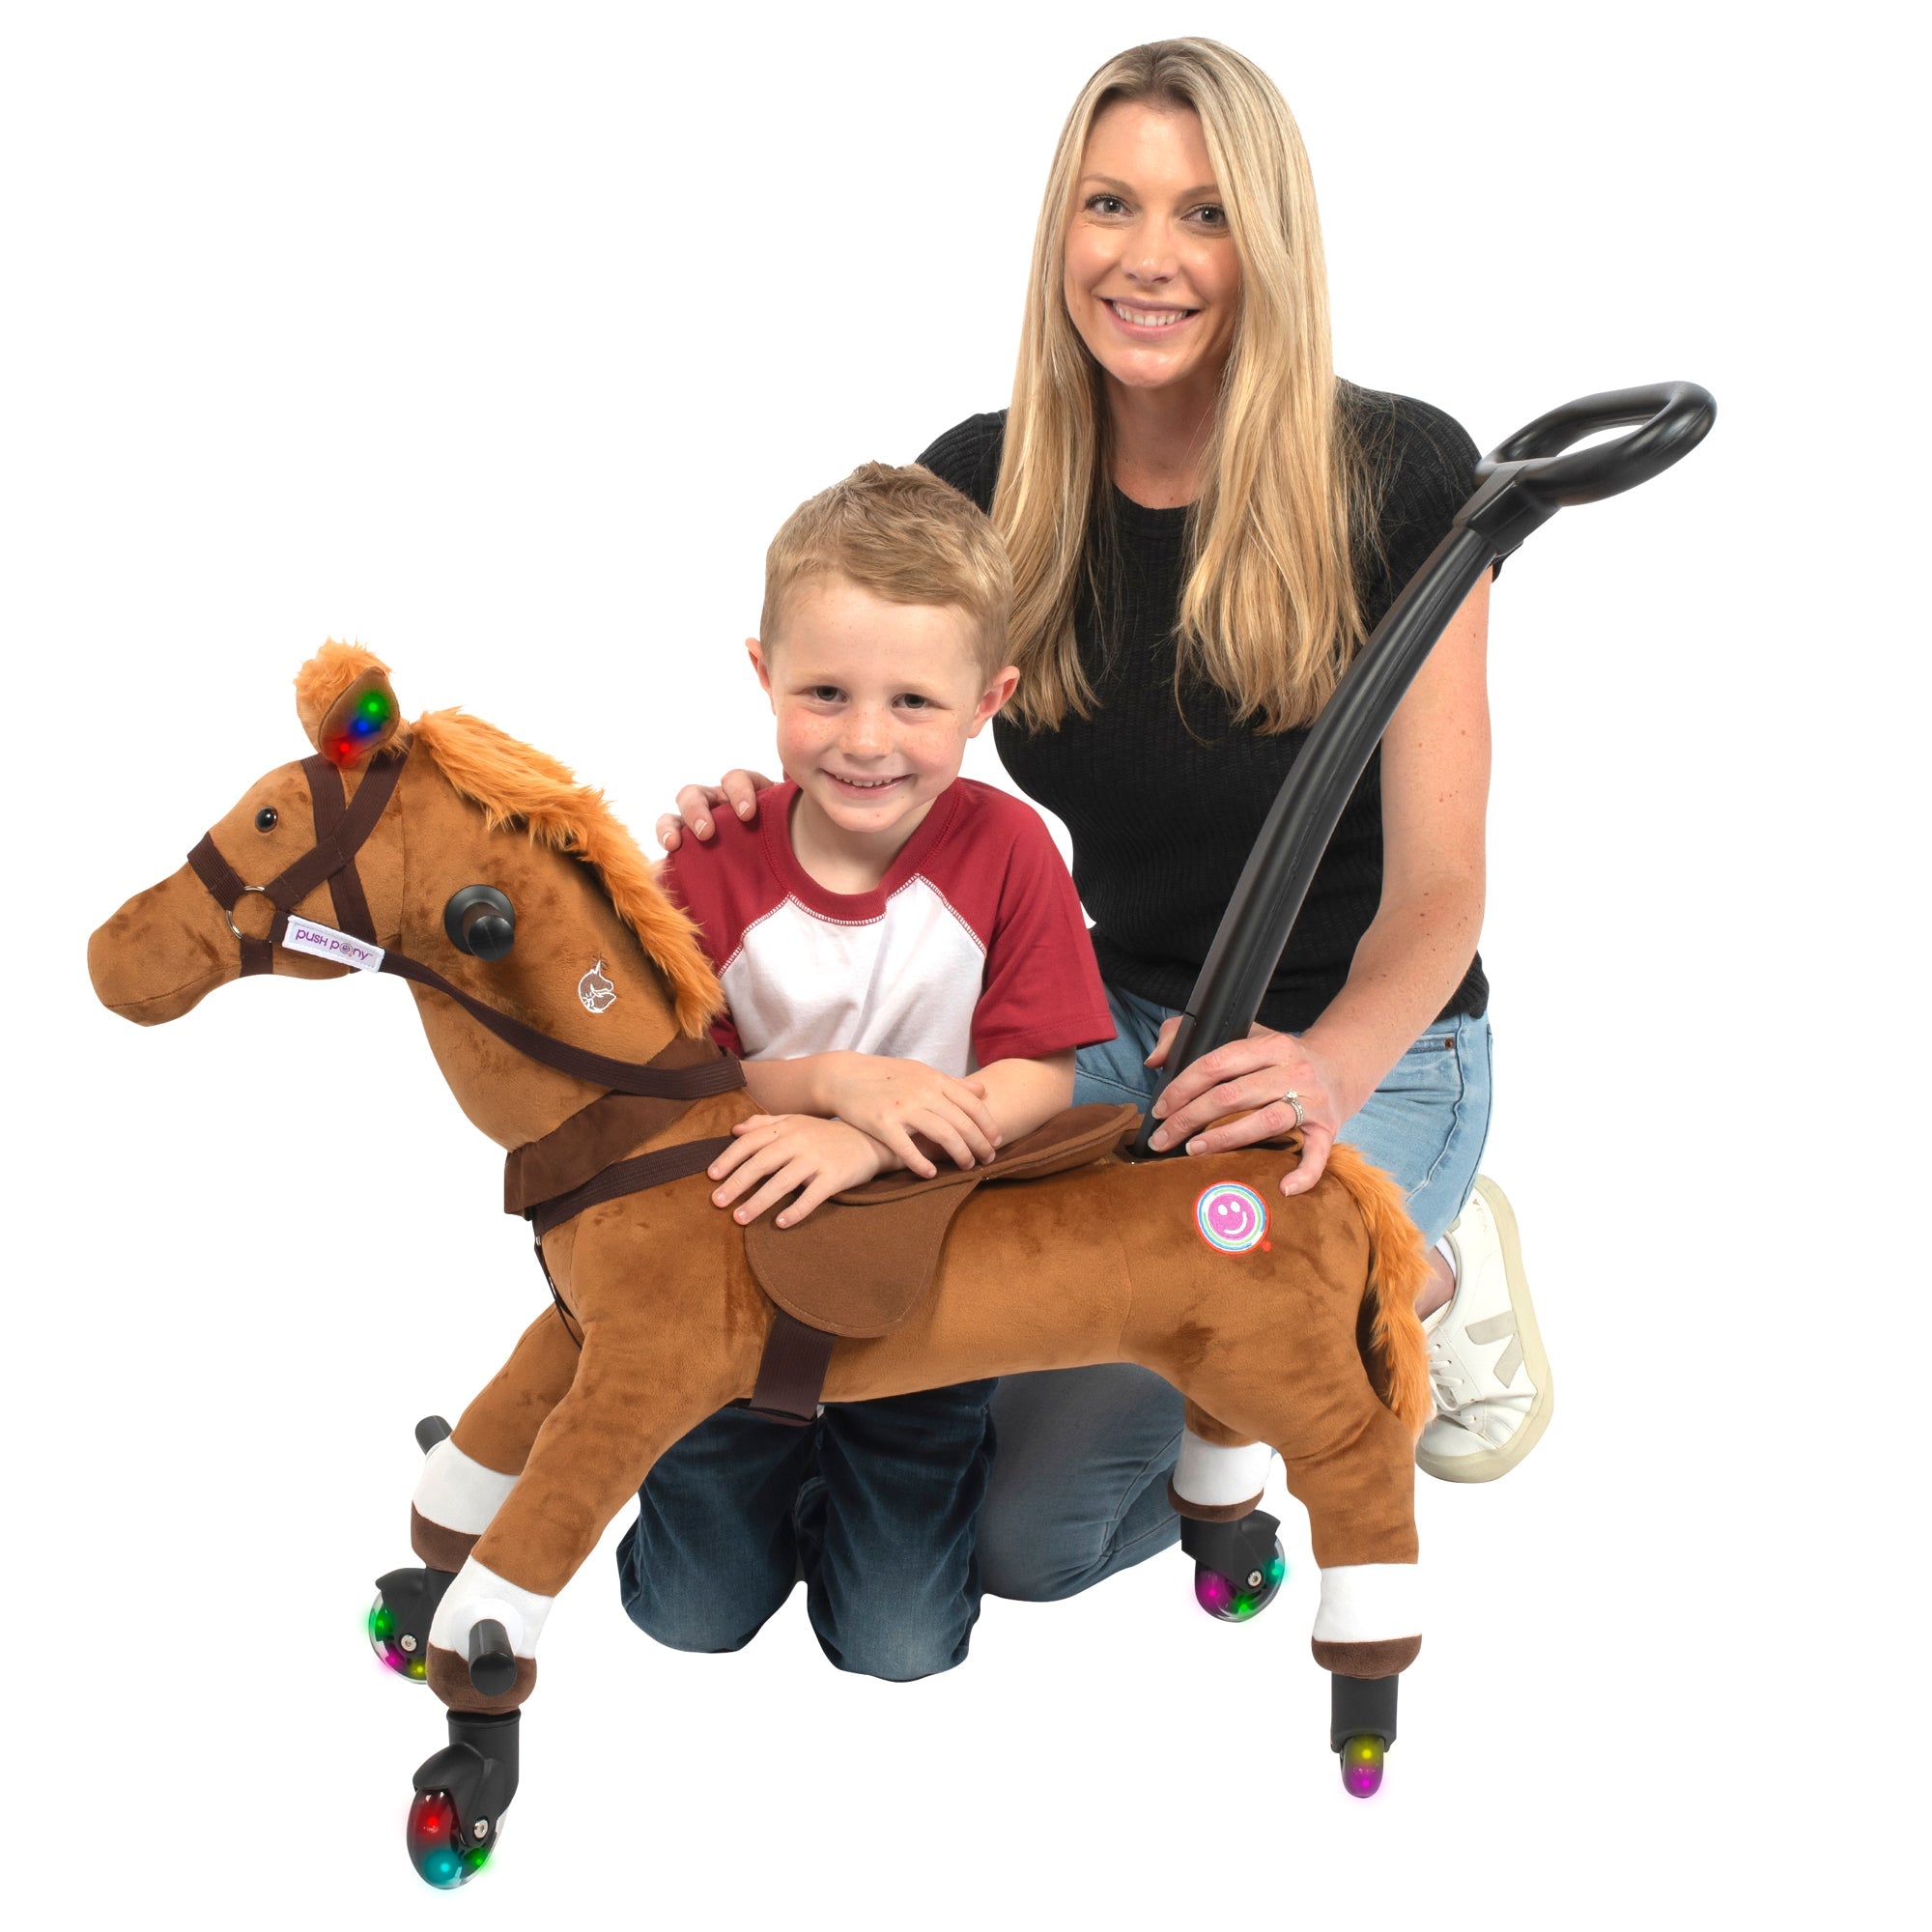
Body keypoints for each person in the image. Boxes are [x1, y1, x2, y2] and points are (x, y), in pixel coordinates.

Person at [660, 39, 1552, 1614]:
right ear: (1060, 230)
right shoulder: (986, 484)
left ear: (1264, 245)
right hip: (1109, 1026)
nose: (1150, 260)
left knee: (1024, 1540)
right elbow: (877, 735)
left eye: (1205, 217)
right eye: (1112, 205)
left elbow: (1444, 886)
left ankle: (1405, 1270)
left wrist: (1325, 1072)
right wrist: (767, 810)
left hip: (1369, 1053)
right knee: (907, 1328)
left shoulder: (1406, 479)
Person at [617, 461, 1115, 1678]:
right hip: (736, 1282)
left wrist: (871, 1138)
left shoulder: (1006, 849)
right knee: (683, 1612)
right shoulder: (707, 860)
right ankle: (751, 1500)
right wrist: (833, 1081)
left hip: (927, 1290)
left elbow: (1040, 1075)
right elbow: (668, 1090)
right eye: (824, 693)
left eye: (911, 702)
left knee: (898, 1642)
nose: (863, 741)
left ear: (987, 698)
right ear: (761, 675)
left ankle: (873, 1503)